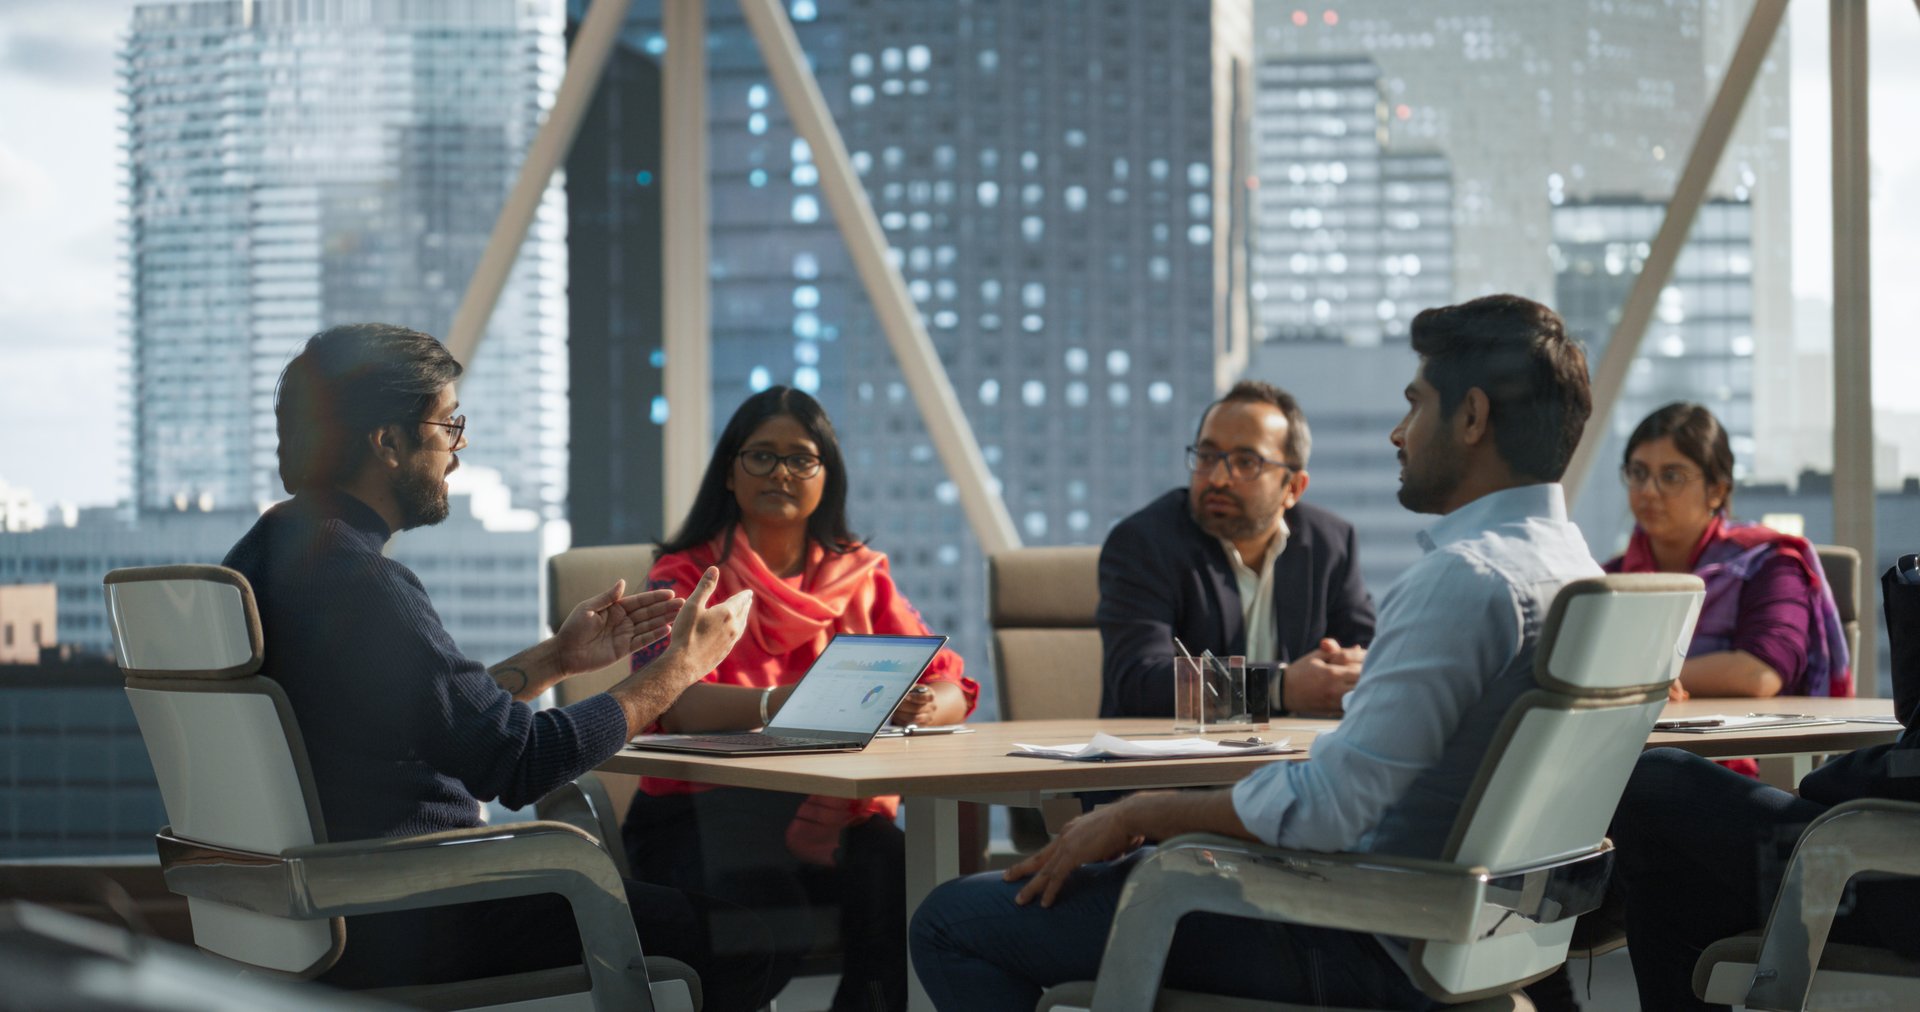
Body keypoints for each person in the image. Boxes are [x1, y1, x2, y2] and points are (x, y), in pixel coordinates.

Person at [909, 294, 1599, 1010]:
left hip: (1365, 932)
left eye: (1415, 404)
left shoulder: (1462, 580)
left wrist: (1145, 812)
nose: (1399, 432)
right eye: (1207, 457)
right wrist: (1285, 695)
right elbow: (1139, 681)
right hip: (1473, 932)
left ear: (1473, 417)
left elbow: (1329, 810)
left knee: (950, 922)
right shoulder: (1579, 573)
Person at [223, 324, 778, 1009]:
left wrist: (558, 658)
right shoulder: (363, 583)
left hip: (323, 910)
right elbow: (520, 763)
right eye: (447, 425)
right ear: (388, 443)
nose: (457, 453)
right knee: (742, 937)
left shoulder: (263, 560)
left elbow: (433, 718)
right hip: (418, 910)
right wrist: (676, 671)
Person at [621, 386, 979, 1012]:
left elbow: (954, 684)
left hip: (830, 810)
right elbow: (666, 699)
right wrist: (785, 702)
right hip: (703, 816)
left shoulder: (858, 575)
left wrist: (928, 704)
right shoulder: (685, 575)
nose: (781, 472)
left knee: (909, 882)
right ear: (729, 472)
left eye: (801, 458)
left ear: (826, 477)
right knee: (765, 910)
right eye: (761, 456)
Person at [1098, 380, 1375, 718]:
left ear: (1293, 487)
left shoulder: (1330, 544)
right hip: (1174, 765)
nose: (1217, 478)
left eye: (1246, 462)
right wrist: (1277, 688)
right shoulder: (1144, 542)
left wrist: (1349, 667)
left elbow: (1371, 657)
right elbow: (1137, 683)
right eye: (1207, 455)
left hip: (1299, 758)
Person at [1605, 402, 1852, 775]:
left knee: (1660, 778)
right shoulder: (1610, 580)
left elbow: (1759, 673)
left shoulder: (1769, 562)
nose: (1648, 492)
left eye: (1671, 476)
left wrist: (1643, 679)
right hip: (1620, 764)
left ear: (1717, 490)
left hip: (1740, 772)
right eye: (1638, 473)